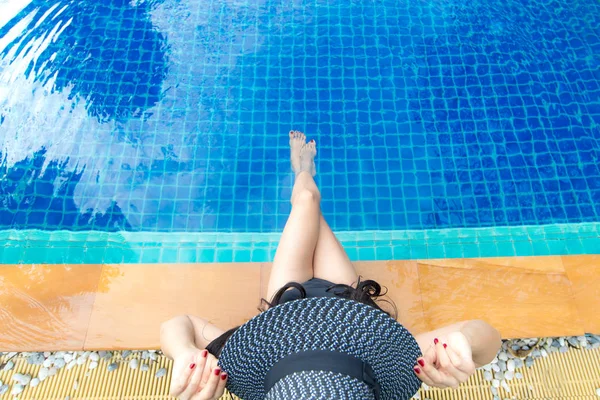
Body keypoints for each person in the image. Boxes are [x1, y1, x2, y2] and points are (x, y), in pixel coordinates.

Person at [160, 131, 502, 400]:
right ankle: (305, 173)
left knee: (307, 202)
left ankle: (303, 172)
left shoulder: (242, 366)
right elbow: (488, 339)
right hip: (345, 299)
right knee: (310, 206)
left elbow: (179, 323)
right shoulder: (384, 360)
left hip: (287, 298)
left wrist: (184, 353)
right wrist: (463, 346)